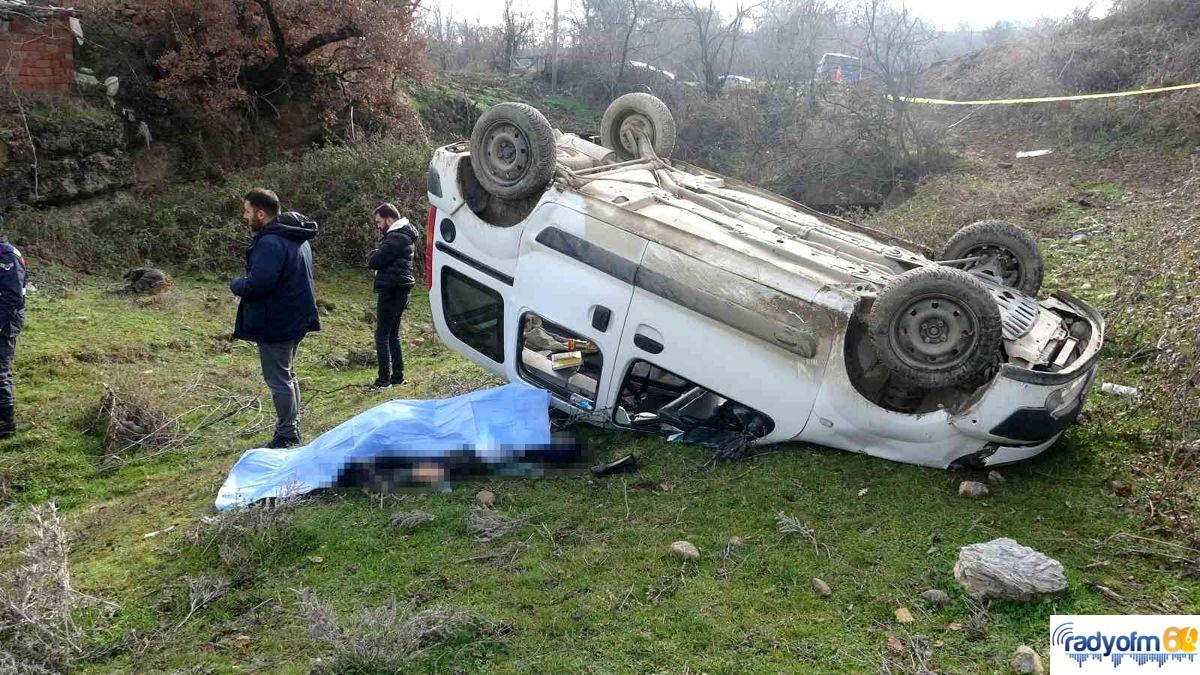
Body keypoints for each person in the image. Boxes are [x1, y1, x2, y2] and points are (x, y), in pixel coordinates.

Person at [230, 189, 320, 449]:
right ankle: (291, 425)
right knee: (287, 374)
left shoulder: (270, 242)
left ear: (261, 213)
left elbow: (260, 283)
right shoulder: (297, 237)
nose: (244, 216)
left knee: (279, 378)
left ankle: (287, 434)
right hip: (296, 316)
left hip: (276, 320)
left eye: (247, 211)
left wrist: (237, 284)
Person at [366, 203, 419, 389]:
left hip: (391, 290)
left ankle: (383, 380)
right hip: (401, 290)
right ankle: (397, 377)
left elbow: (375, 261)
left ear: (389, 219)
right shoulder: (404, 235)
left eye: (379, 221)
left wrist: (375, 253)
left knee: (382, 335)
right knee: (392, 335)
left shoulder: (396, 237)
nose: (378, 225)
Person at [0, 216, 25, 439]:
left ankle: (5, 422)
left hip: (5, 321)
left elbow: (13, 297)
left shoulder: (6, 254)